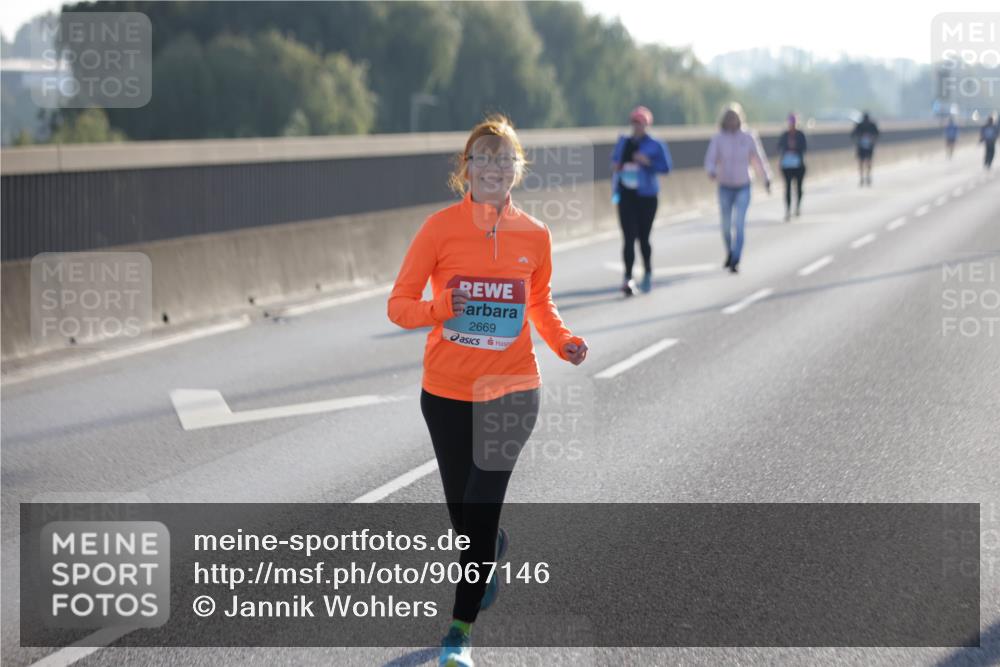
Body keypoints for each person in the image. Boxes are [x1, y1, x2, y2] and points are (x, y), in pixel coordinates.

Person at [387, 114, 588, 667]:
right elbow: (398, 305)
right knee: (465, 517)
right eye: (484, 156)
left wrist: (563, 340)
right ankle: (492, 549)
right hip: (446, 392)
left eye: (505, 158)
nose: (495, 166)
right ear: (466, 169)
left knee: (479, 504)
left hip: (513, 388)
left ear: (518, 169)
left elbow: (539, 303)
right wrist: (439, 308)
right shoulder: (438, 230)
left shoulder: (535, 235)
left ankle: (459, 633)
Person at [610, 105, 673, 296]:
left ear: (647, 124)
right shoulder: (623, 141)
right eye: (634, 122)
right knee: (628, 237)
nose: (637, 126)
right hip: (626, 193)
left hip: (647, 196)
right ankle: (627, 278)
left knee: (643, 237)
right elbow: (613, 162)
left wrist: (647, 162)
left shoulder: (655, 144)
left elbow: (666, 168)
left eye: (641, 123)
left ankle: (647, 272)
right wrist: (619, 165)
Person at [703, 103, 772, 274]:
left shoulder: (748, 137)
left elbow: (758, 158)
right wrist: (711, 171)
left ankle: (736, 258)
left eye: (735, 118)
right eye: (729, 118)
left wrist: (766, 178)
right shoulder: (718, 138)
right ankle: (729, 251)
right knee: (726, 226)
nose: (732, 121)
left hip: (743, 185)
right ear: (724, 120)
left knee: (738, 223)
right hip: (725, 185)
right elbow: (710, 158)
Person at [776, 113, 807, 221]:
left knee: (798, 187)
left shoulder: (800, 134)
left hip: (798, 165)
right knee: (787, 187)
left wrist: (795, 148)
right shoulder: (785, 135)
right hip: (787, 165)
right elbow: (779, 147)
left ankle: (797, 206)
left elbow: (804, 147)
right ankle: (788, 210)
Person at [851, 111, 880, 186]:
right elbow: (853, 135)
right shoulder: (860, 125)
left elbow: (877, 134)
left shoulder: (872, 125)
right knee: (862, 162)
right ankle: (863, 177)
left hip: (869, 146)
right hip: (861, 146)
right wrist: (859, 139)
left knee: (867, 162)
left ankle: (866, 177)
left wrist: (872, 139)